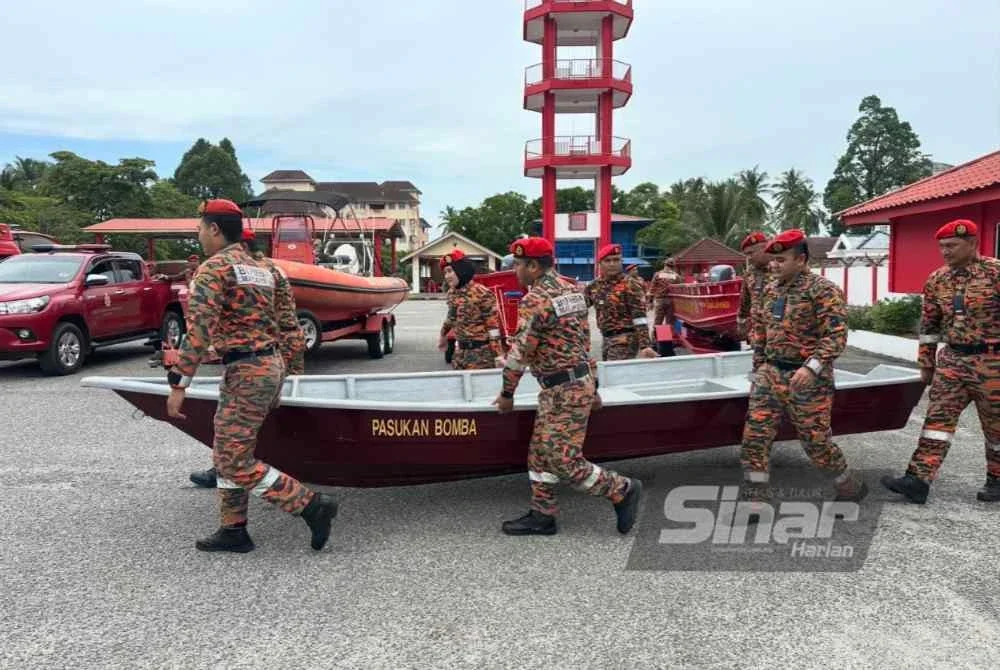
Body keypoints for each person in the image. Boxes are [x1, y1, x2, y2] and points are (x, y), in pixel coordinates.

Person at [166, 198, 337, 553]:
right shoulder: (266, 270)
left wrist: (179, 383)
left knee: (232, 459)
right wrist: (290, 372)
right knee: (227, 449)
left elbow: (198, 331)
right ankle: (233, 529)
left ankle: (310, 505)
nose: (198, 235)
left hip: (245, 371)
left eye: (200, 229)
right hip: (268, 366)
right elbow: (289, 326)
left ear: (215, 229)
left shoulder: (214, 270)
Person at [493, 236, 643, 536]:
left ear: (533, 267)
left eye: (518, 265)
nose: (515, 271)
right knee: (539, 453)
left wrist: (507, 394)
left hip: (564, 391)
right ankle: (543, 514)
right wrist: (593, 386)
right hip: (569, 385)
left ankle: (621, 489)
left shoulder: (535, 299)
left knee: (563, 461)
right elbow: (583, 343)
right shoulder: (572, 292)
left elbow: (520, 354)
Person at [739, 229, 868, 514]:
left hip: (809, 380)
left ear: (801, 259)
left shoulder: (823, 290)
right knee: (754, 438)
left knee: (815, 443)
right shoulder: (770, 290)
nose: (774, 266)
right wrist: (758, 369)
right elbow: (760, 332)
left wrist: (812, 367)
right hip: (771, 374)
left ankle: (848, 486)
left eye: (781, 260)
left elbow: (836, 336)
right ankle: (756, 499)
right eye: (772, 260)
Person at [881, 219, 1000, 504]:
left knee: (996, 427)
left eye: (952, 246)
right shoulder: (937, 279)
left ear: (972, 243)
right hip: (953, 360)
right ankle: (918, 480)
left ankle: (997, 480)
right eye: (942, 246)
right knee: (937, 421)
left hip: (993, 361)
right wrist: (926, 362)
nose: (945, 252)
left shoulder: (995, 273)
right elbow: (930, 325)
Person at [188, 226, 308, 489]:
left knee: (240, 419)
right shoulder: (272, 270)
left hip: (258, 353)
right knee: (269, 412)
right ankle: (241, 468)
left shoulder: (238, 270)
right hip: (284, 346)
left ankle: (233, 468)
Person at [584, 243, 658, 361]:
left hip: (626, 338)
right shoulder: (594, 286)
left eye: (616, 260)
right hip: (606, 337)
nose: (612, 264)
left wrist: (645, 345)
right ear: (600, 263)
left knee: (614, 370)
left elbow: (640, 316)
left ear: (621, 262)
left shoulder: (630, 284)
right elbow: (581, 308)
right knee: (608, 370)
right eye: (607, 261)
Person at [436, 249, 503, 369]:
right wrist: (443, 336)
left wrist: (498, 355)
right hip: (460, 355)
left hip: (481, 357)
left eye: (450, 271)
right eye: (445, 273)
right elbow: (451, 318)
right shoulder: (452, 293)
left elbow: (493, 327)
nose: (447, 276)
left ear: (461, 270)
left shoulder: (482, 293)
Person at [736, 231, 771, 346]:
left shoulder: (780, 270)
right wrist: (741, 323)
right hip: (758, 338)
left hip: (780, 337)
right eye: (747, 254)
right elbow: (744, 303)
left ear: (764, 248)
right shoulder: (750, 273)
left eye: (751, 253)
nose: (749, 258)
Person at [647, 258, 680, 328]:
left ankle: (656, 334)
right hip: (671, 301)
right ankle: (669, 334)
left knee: (658, 321)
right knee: (670, 322)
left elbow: (652, 289)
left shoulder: (658, 274)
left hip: (660, 300)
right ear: (673, 266)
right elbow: (679, 289)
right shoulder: (676, 276)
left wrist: (650, 302)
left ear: (665, 264)